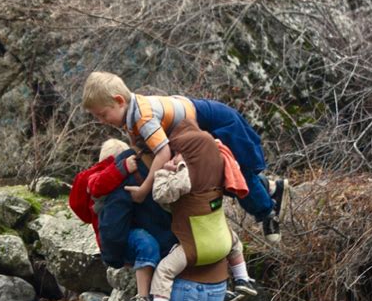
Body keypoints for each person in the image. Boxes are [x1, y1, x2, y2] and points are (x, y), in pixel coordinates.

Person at [82, 71, 288, 243]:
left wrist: (145, 189)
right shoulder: (129, 112)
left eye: (103, 114)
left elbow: (162, 151)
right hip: (192, 128)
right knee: (213, 178)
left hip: (215, 122)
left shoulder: (143, 117)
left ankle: (267, 213)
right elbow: (140, 144)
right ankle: (270, 188)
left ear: (119, 101)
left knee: (234, 171)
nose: (101, 121)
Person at [130, 119, 257, 301]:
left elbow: (161, 195)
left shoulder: (184, 170)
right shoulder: (218, 163)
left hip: (195, 246)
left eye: (177, 152)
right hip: (222, 240)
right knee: (236, 244)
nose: (174, 155)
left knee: (164, 271)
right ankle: (243, 279)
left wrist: (164, 172)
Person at [69, 138, 176, 301]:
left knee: (144, 243)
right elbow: (96, 186)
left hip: (116, 235)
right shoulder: (101, 174)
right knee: (146, 244)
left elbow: (78, 208)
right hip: (118, 237)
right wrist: (123, 167)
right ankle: (143, 297)